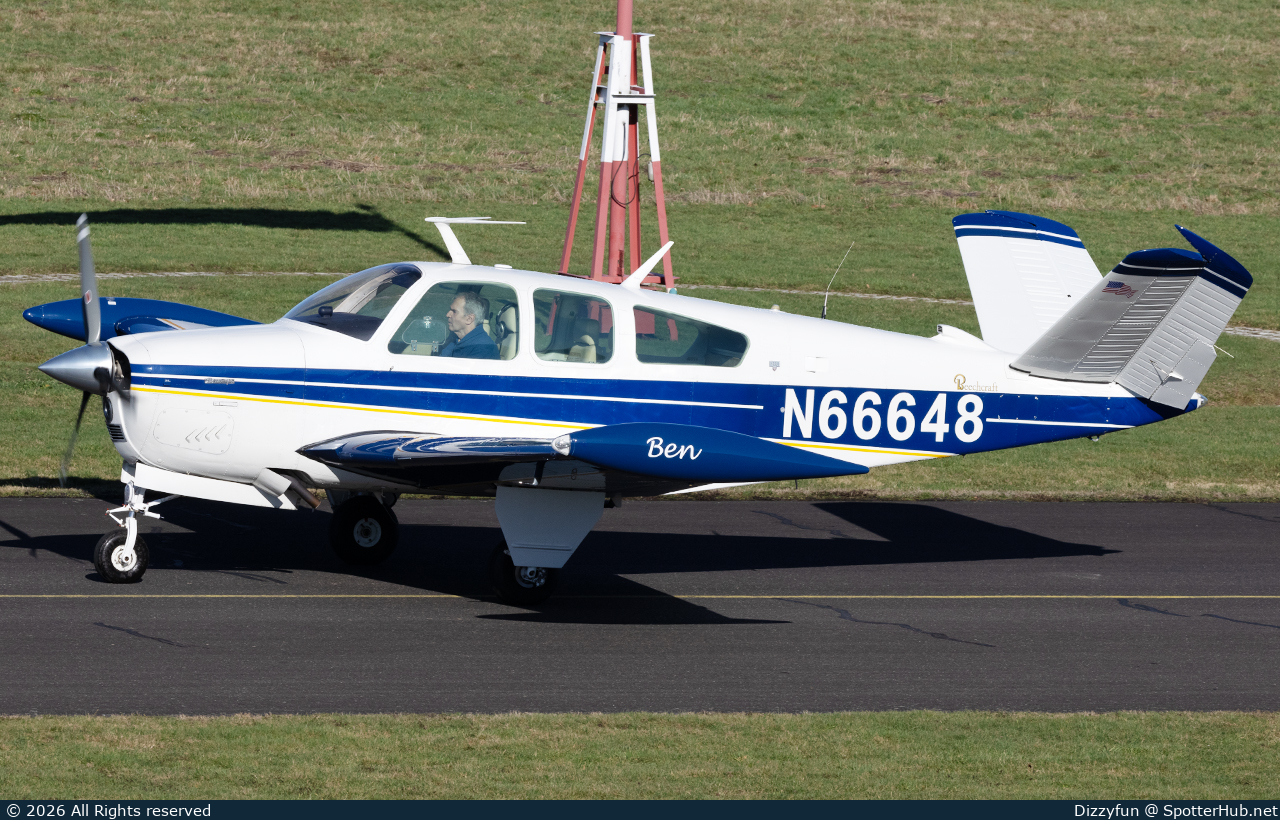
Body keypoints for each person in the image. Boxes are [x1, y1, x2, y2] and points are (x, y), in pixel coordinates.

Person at [438, 292, 500, 359]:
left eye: (454, 311)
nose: (447, 315)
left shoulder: (484, 348)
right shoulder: (457, 340)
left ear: (469, 319)